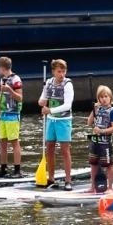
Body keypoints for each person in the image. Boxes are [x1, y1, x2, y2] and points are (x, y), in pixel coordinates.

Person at [38, 58, 75, 191]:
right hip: (51, 121)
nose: (62, 74)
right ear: (53, 71)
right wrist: (42, 102)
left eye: (64, 71)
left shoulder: (68, 84)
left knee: (65, 150)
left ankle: (68, 180)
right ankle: (51, 178)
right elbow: (42, 99)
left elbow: (67, 105)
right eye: (59, 72)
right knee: (49, 149)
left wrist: (50, 110)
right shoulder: (48, 83)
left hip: (63, 121)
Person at [0, 55, 24, 177]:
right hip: (3, 114)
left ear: (2, 67)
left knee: (14, 141)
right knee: (3, 141)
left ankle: (17, 170)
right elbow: (0, 99)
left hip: (13, 114)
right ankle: (3, 168)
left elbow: (20, 98)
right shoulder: (2, 80)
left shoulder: (16, 79)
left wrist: (9, 90)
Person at [87, 85, 113, 194]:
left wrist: (101, 131)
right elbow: (89, 122)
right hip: (95, 141)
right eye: (101, 97)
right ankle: (92, 186)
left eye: (106, 96)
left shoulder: (112, 111)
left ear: (110, 97)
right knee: (93, 164)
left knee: (108, 164)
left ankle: (110, 187)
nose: (104, 99)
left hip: (105, 142)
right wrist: (94, 110)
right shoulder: (97, 109)